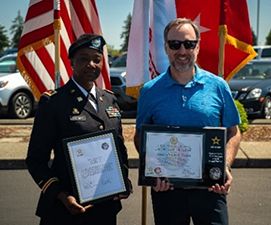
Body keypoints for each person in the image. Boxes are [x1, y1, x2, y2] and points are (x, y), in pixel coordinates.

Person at [134, 18, 241, 225]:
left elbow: (233, 132)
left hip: (211, 187)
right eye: (175, 44)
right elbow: (141, 137)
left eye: (189, 44)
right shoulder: (149, 92)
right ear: (166, 47)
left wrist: (225, 166)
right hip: (167, 189)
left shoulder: (218, 86)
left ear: (198, 47)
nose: (182, 51)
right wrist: (153, 169)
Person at [26, 33, 132, 225]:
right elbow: (36, 160)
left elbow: (119, 148)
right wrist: (61, 195)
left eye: (97, 59)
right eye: (84, 59)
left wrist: (122, 180)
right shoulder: (54, 102)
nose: (91, 64)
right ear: (72, 63)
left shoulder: (109, 99)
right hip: (65, 210)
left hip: (105, 208)